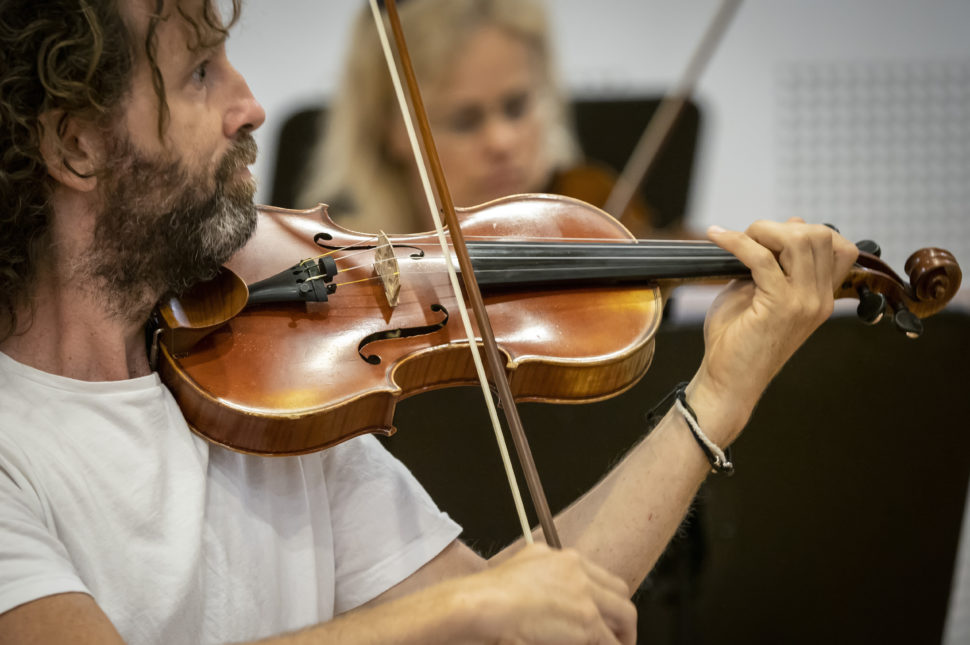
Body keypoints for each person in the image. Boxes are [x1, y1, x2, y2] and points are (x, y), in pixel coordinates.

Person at [0, 1, 858, 643]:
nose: (250, 105)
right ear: (77, 145)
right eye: (198, 74)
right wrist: (459, 611)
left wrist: (718, 392)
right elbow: (476, 610)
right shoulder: (15, 447)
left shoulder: (260, 371)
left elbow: (533, 611)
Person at [296, 0, 658, 235]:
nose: (502, 141)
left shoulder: (599, 227)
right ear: (392, 129)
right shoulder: (352, 273)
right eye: (464, 120)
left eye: (517, 107)